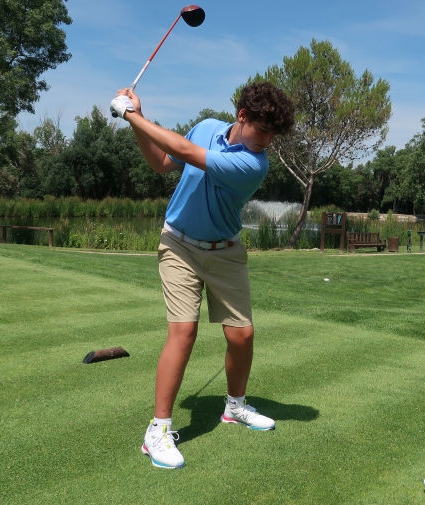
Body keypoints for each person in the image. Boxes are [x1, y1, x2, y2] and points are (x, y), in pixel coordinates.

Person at [110, 82, 295, 469]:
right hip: (178, 244)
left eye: (273, 136)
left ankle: (235, 407)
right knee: (184, 331)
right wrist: (136, 123)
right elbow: (163, 162)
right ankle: (157, 431)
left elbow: (182, 150)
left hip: (225, 251)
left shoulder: (253, 164)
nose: (267, 142)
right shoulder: (207, 126)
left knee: (242, 335)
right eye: (263, 131)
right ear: (242, 117)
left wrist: (132, 115)